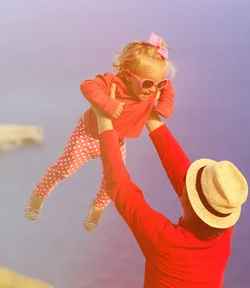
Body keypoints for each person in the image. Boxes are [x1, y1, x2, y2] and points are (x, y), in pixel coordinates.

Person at [88, 83, 249, 288]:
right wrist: (151, 117)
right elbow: (181, 178)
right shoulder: (224, 231)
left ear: (189, 198)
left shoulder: (164, 241)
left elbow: (118, 185)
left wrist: (104, 122)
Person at [24, 32, 176, 232]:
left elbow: (168, 90)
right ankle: (39, 193)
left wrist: (164, 106)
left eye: (159, 83)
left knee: (115, 177)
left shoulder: (155, 87)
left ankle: (97, 208)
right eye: (147, 83)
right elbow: (87, 86)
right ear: (128, 73)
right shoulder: (113, 82)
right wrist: (107, 103)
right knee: (66, 167)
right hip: (88, 135)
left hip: (116, 139)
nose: (152, 90)